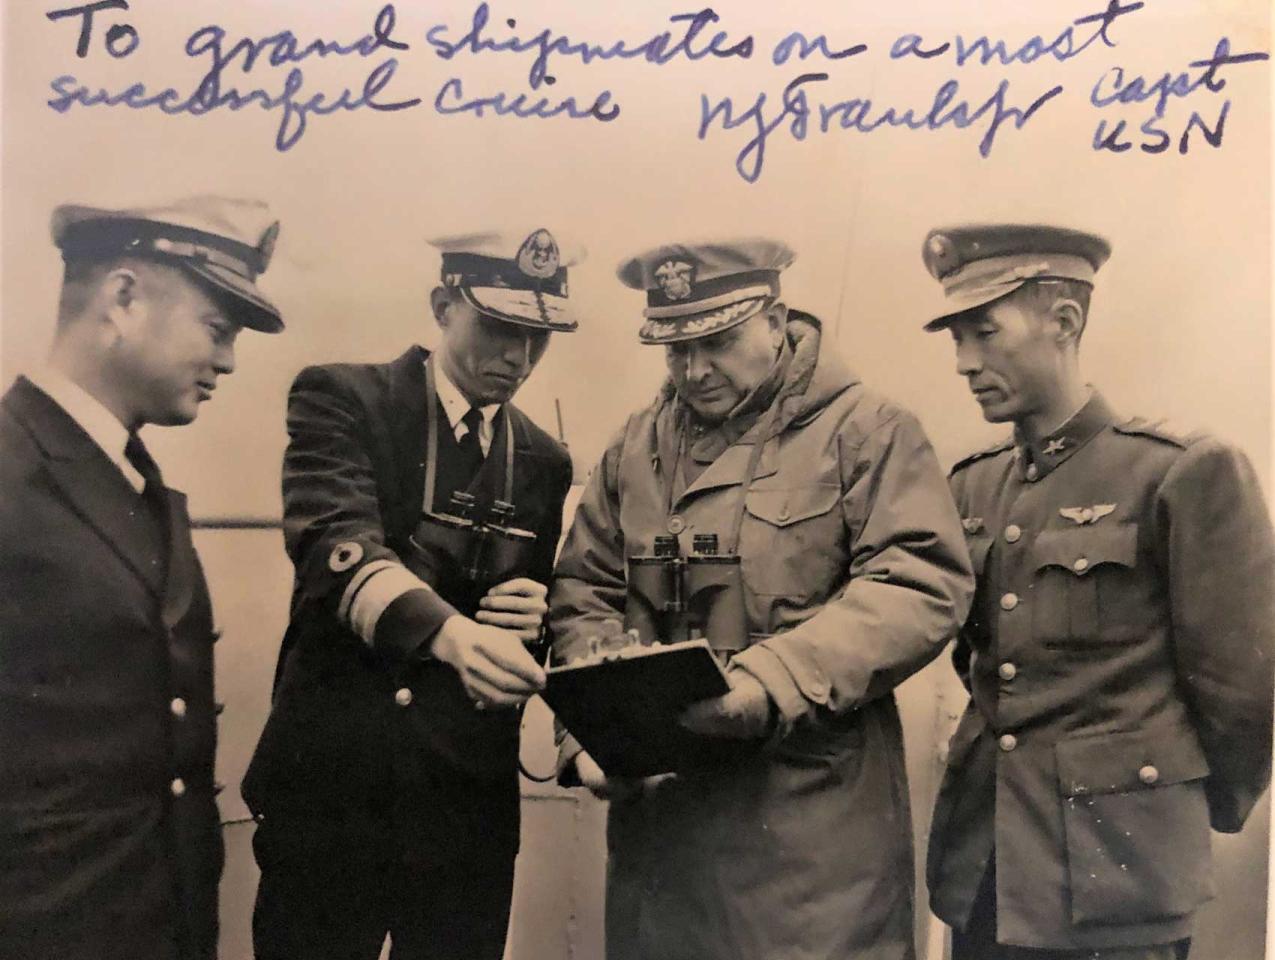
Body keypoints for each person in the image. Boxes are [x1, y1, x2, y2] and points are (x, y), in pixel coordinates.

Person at [548, 238, 973, 960]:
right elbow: (584, 589)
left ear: (774, 320)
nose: (693, 370)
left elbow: (918, 582)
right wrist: (592, 737)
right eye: (674, 350)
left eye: (716, 342)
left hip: (808, 849)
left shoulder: (866, 431)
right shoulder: (635, 445)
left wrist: (770, 682)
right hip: (662, 843)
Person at [920, 223, 1275, 959]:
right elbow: (980, 661)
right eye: (955, 339)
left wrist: (1164, 811)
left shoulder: (1178, 473)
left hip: (1117, 876)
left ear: (1064, 322)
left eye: (983, 333)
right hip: (986, 867)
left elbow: (1241, 689)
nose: (964, 362)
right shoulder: (971, 483)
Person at [242, 228, 578, 960]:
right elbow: (335, 547)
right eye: (499, 328)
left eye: (539, 338)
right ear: (441, 303)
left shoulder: (545, 461)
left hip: (465, 813)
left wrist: (536, 625)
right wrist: (455, 635)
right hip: (334, 798)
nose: (518, 359)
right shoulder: (342, 397)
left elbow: (538, 613)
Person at [0, 196, 285, 960]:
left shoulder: (131, 481)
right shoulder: (10, 475)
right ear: (123, 298)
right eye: (217, 330)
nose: (227, 362)